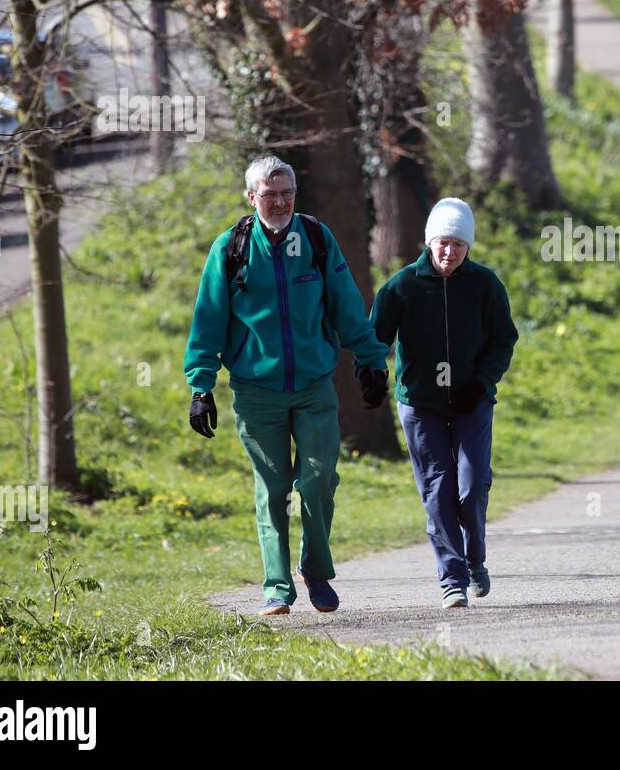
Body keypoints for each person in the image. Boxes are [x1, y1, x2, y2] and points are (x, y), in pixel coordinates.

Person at [184, 155, 390, 616]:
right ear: (251, 196)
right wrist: (201, 388)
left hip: (315, 386)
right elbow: (208, 322)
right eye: (270, 194)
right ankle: (277, 587)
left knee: (318, 480)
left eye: (287, 194)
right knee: (272, 489)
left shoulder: (316, 239)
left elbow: (346, 306)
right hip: (256, 392)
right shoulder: (231, 248)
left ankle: (315, 570)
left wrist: (371, 363)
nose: (279, 202)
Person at [369, 198, 518, 609]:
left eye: (458, 245)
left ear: (468, 247)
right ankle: (451, 579)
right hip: (421, 403)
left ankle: (475, 562)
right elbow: (374, 339)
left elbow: (504, 339)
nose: (449, 252)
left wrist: (483, 381)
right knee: (437, 488)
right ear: (429, 243)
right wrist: (371, 374)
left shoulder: (485, 285)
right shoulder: (401, 286)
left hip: (472, 400)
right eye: (443, 243)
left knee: (471, 485)